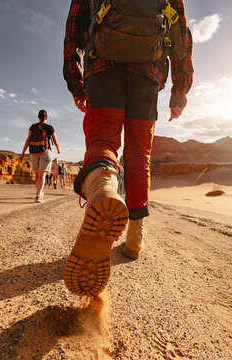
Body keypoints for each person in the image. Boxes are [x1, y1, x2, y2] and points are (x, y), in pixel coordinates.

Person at [62, 0, 193, 297]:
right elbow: (181, 33)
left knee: (103, 142)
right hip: (149, 71)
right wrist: (179, 90)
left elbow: (74, 28)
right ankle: (135, 237)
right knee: (139, 155)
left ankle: (104, 186)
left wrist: (75, 78)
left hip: (100, 64)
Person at [19, 110, 60, 203]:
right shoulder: (49, 127)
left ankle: (39, 193)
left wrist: (22, 153)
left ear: (38, 117)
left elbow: (28, 139)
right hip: (46, 151)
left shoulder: (33, 127)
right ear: (46, 118)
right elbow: (55, 141)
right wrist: (58, 149)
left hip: (33, 152)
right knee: (42, 174)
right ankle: (38, 196)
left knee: (37, 175)